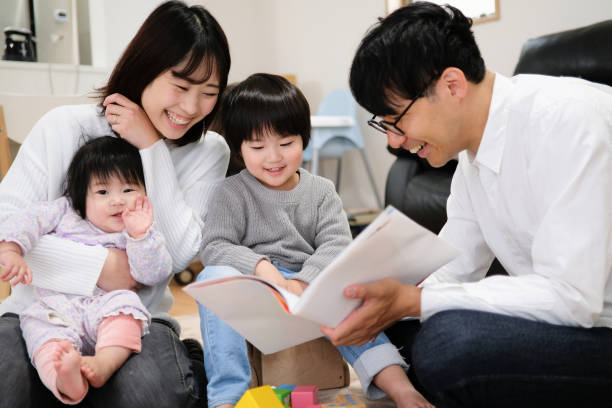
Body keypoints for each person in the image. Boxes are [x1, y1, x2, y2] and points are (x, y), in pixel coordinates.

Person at [321, 2, 612, 407]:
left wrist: (416, 301)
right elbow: (453, 270)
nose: (393, 141)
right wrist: (381, 297)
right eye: (384, 125)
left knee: (448, 343)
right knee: (394, 326)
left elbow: (571, 298)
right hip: (569, 321)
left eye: (396, 119)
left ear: (452, 85)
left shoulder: (566, 120)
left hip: (595, 323)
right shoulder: (471, 162)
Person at [0, 1, 231, 407]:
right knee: (9, 381)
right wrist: (107, 269)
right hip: (38, 313)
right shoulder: (67, 126)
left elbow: (176, 255)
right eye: (180, 87)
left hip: (134, 318)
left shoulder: (209, 150)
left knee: (154, 394)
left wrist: (152, 148)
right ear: (145, 68)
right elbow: (7, 224)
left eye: (208, 93)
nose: (192, 108)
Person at [195, 73, 434, 408]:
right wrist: (266, 271)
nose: (274, 157)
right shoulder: (231, 192)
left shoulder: (320, 190)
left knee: (355, 300)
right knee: (212, 280)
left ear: (304, 138)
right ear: (238, 148)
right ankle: (226, 399)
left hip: (310, 287)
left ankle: (401, 388)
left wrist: (304, 281)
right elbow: (215, 247)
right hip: (256, 286)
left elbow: (336, 245)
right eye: (258, 147)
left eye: (286, 143)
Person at [0, 136, 173, 404]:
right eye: (103, 192)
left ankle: (104, 362)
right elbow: (26, 221)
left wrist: (140, 237)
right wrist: (11, 249)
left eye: (128, 190)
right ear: (81, 196)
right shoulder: (64, 211)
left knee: (128, 305)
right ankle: (65, 380)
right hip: (57, 308)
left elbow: (153, 274)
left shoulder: (138, 229)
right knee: (39, 328)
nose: (117, 201)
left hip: (105, 307)